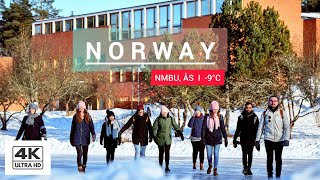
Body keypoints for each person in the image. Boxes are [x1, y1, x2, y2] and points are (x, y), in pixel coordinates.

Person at [255, 96, 290, 179]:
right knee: (269, 159)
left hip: (279, 140)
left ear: (278, 102)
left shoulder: (282, 112)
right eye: (271, 101)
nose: (273, 102)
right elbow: (260, 127)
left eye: (275, 101)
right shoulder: (265, 113)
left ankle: (278, 177)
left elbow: (287, 127)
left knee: (278, 160)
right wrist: (257, 140)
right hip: (268, 139)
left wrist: (286, 139)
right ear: (268, 102)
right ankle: (270, 177)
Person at [153, 105, 184, 172]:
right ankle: (160, 165)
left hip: (168, 139)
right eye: (163, 112)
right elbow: (154, 128)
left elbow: (175, 126)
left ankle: (167, 166)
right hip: (160, 138)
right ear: (161, 113)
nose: (164, 114)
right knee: (161, 153)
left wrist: (180, 133)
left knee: (167, 153)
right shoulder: (158, 119)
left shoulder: (170, 119)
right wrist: (154, 136)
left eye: (165, 112)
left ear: (167, 112)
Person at [201, 101, 228, 176]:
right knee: (209, 155)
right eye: (213, 109)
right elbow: (203, 128)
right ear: (211, 109)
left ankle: (215, 169)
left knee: (216, 154)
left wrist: (225, 138)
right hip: (208, 138)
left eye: (216, 109)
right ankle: (210, 165)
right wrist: (202, 138)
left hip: (217, 138)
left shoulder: (220, 117)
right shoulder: (206, 117)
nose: (214, 111)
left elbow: (223, 128)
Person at [233, 102, 259, 176]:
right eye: (247, 107)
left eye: (250, 108)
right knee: (244, 153)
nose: (248, 109)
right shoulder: (241, 117)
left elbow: (257, 130)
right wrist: (235, 139)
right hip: (243, 138)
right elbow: (238, 129)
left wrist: (257, 140)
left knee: (250, 153)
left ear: (252, 108)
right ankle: (245, 168)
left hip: (252, 139)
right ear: (245, 108)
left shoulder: (255, 117)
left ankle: (249, 168)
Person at [70, 101, 96, 173]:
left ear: (85, 108)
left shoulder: (88, 116)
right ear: (78, 108)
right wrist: (71, 138)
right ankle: (79, 166)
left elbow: (91, 126)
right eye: (80, 107)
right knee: (79, 152)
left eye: (83, 107)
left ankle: (84, 165)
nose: (81, 109)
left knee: (85, 153)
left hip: (85, 137)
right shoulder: (75, 117)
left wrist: (93, 134)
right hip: (77, 137)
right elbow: (72, 128)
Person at [187, 105, 205, 170]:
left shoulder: (203, 118)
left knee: (202, 152)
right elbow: (189, 125)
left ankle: (201, 164)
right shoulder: (193, 118)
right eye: (196, 111)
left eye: (198, 111)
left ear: (200, 111)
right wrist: (193, 117)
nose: (197, 112)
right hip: (194, 138)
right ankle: (194, 163)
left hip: (202, 138)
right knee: (195, 151)